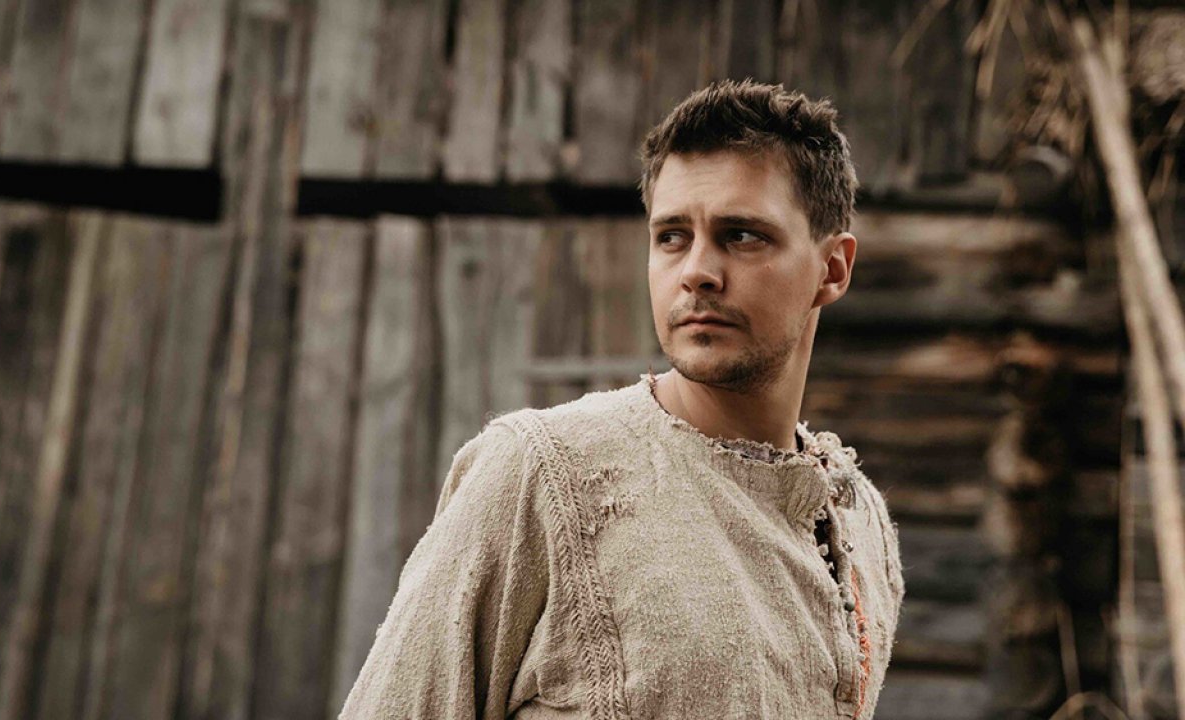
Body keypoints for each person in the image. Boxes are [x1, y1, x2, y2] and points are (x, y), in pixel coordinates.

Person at [339, 79, 905, 720]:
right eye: (672, 237)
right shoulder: (542, 474)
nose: (696, 271)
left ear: (833, 269)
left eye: (742, 235)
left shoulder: (861, 524)